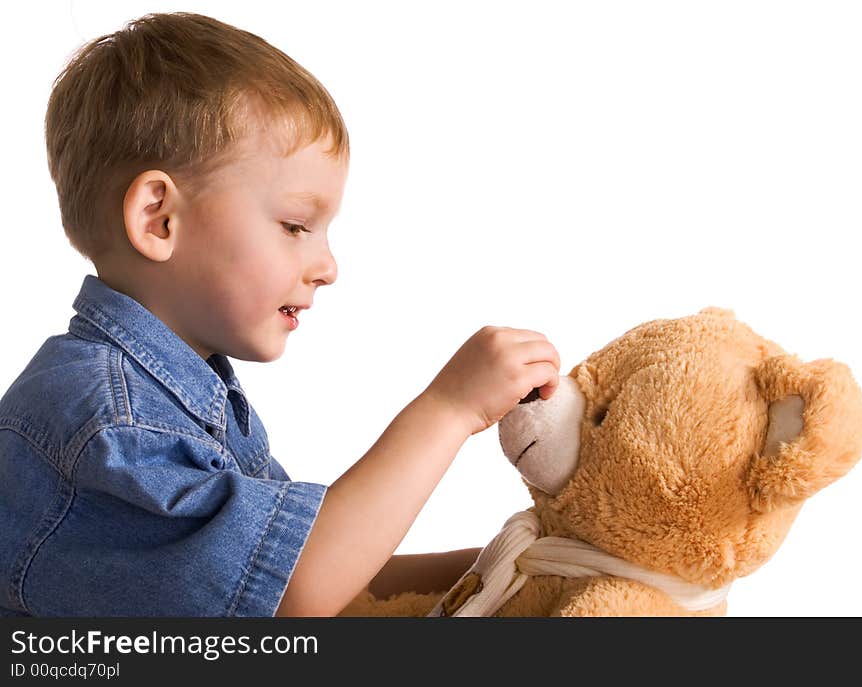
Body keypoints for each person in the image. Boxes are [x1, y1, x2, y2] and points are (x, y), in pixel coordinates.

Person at [0, 12, 559, 617]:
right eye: (295, 226)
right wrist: (451, 408)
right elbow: (296, 594)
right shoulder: (110, 425)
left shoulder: (191, 395)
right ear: (159, 219)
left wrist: (518, 566)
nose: (327, 266)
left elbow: (328, 574)